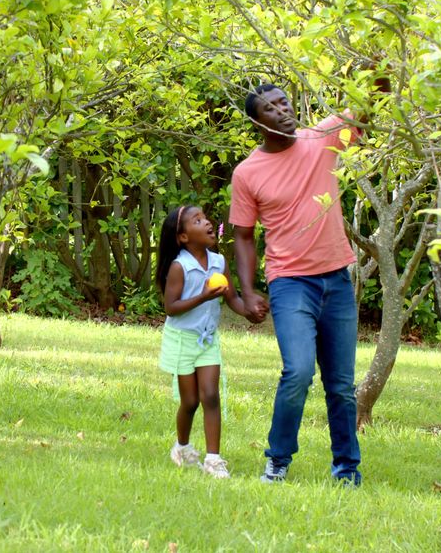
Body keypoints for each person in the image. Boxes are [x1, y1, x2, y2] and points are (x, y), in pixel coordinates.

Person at [229, 84, 365, 485]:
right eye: (271, 109)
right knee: (299, 371)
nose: (283, 111)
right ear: (257, 122)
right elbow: (242, 236)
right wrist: (249, 290)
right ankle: (278, 460)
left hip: (337, 280)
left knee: (340, 385)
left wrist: (379, 66)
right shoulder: (247, 172)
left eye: (284, 103)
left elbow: (370, 106)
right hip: (290, 283)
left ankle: (347, 470)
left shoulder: (322, 138)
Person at [156, 205, 251, 479]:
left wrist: (249, 311)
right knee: (190, 402)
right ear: (183, 237)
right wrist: (204, 296)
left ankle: (213, 459)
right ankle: (182, 448)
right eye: (197, 221)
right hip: (182, 340)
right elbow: (171, 307)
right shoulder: (180, 267)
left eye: (205, 218)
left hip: (207, 339)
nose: (207, 222)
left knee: (210, 395)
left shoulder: (219, 262)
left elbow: (231, 298)